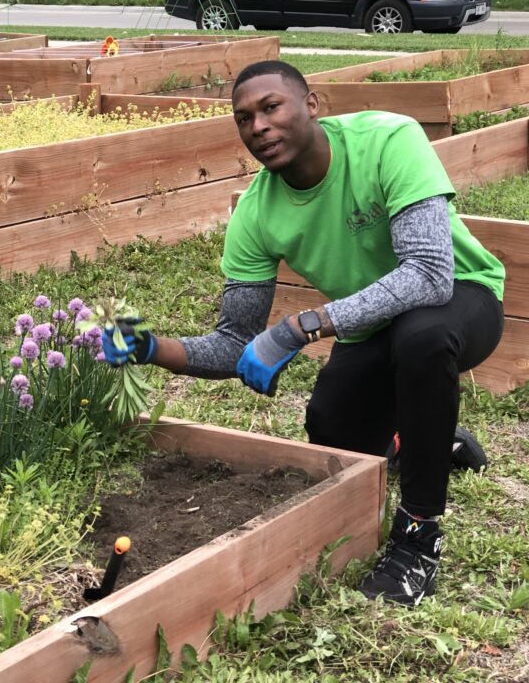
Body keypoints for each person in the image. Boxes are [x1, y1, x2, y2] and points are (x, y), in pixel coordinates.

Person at [103, 60, 505, 606]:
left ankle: (418, 538)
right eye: (243, 119)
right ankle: (427, 438)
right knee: (331, 428)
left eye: (271, 107)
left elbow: (428, 274)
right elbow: (233, 342)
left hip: (462, 297)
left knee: (423, 341)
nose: (259, 127)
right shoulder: (256, 213)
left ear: (311, 104)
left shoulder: (388, 139)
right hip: (374, 326)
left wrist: (301, 326)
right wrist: (153, 348)